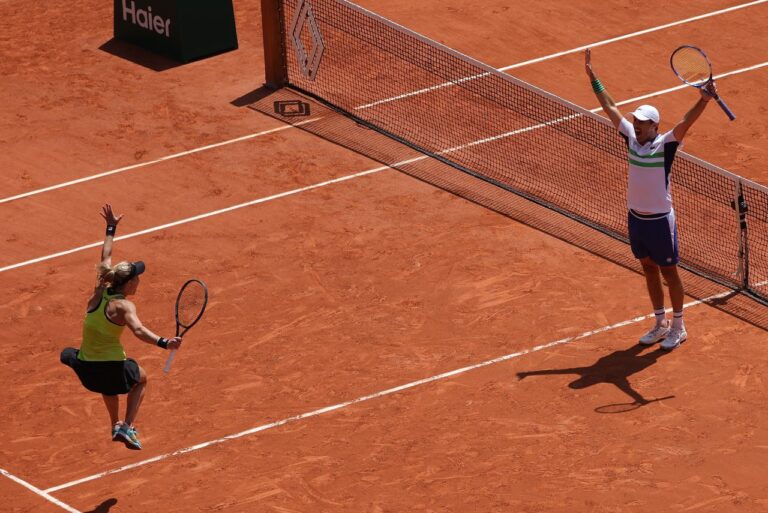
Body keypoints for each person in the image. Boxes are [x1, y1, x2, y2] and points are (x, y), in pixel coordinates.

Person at [584, 48, 716, 350]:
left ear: (655, 126)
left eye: (643, 121)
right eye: (636, 120)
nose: (637, 123)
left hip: (659, 221)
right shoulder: (631, 137)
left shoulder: (666, 144)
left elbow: (686, 122)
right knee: (647, 267)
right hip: (636, 218)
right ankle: (660, 323)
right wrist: (593, 77)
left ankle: (679, 327)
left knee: (669, 271)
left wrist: (704, 99)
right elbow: (609, 106)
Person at [60, 204, 182, 449]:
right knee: (142, 378)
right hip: (108, 368)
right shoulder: (124, 307)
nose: (139, 279)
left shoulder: (100, 290)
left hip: (87, 370)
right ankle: (127, 426)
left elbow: (105, 257)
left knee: (109, 384)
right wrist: (163, 342)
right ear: (128, 283)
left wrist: (111, 227)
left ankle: (115, 423)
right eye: (137, 276)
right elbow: (138, 330)